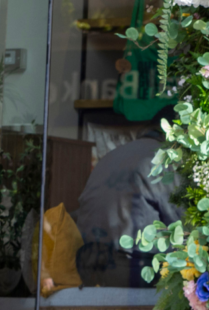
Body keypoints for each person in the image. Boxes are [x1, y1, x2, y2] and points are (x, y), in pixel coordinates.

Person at [74, 117, 182, 287]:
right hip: (132, 268)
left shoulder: (109, 157)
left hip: (86, 264)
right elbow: (181, 223)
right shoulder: (163, 159)